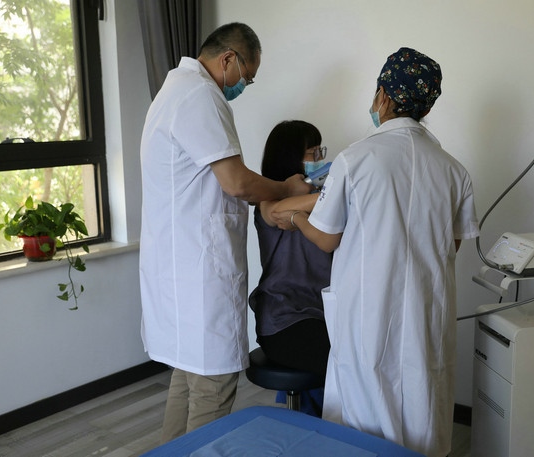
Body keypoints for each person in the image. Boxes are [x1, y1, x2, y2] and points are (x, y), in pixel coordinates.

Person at [272, 47, 480, 457]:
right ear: (426, 107)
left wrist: (294, 218)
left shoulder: (355, 160)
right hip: (425, 316)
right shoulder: (454, 170)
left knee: (362, 421)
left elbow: (327, 238)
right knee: (421, 410)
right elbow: (451, 245)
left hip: (368, 316)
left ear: (383, 96)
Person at [139, 23, 312, 444]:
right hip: (199, 276)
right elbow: (236, 183)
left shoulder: (172, 92)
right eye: (246, 77)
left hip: (179, 271)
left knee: (187, 382)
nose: (242, 86)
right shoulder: (200, 95)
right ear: (228, 59)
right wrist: (287, 190)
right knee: (212, 388)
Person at [249, 120, 332, 415]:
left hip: (322, 314)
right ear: (290, 159)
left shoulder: (323, 206)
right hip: (284, 320)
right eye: (312, 153)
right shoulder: (268, 204)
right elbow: (276, 212)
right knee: (344, 363)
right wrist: (335, 191)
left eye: (320, 151)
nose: (319, 159)